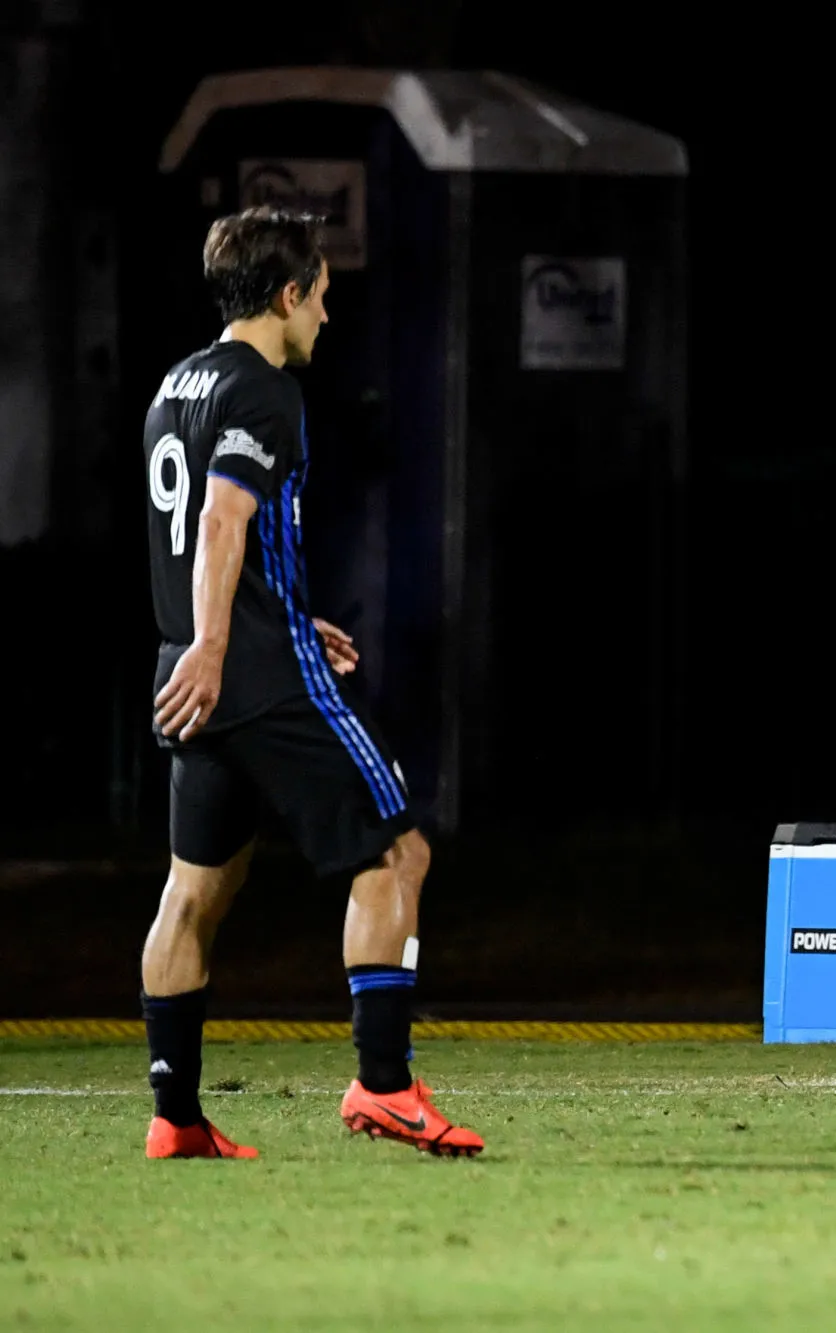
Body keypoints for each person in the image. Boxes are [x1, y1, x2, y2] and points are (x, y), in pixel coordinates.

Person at [139, 207, 482, 1158]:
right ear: (288, 296)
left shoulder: (177, 386)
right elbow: (219, 522)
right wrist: (230, 642)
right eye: (323, 297)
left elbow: (208, 542)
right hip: (242, 671)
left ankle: (176, 1115)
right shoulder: (266, 389)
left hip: (191, 669)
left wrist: (265, 616)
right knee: (398, 854)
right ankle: (383, 1088)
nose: (328, 316)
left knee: (193, 890)